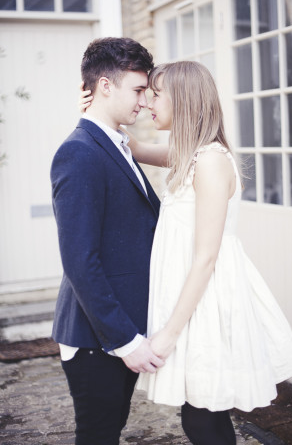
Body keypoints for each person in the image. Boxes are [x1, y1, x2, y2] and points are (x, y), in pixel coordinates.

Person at [79, 60, 292, 445]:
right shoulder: (188, 153)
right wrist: (95, 109)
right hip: (192, 301)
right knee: (201, 414)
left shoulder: (212, 161)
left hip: (208, 303)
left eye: (156, 95)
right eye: (145, 94)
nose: (148, 103)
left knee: (202, 418)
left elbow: (206, 257)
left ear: (183, 100)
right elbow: (130, 147)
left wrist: (168, 335)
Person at [50, 37, 166, 445]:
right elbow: (80, 261)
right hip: (97, 338)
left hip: (118, 332)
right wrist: (125, 340)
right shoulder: (79, 153)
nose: (143, 101)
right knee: (98, 436)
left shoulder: (115, 144)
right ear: (104, 87)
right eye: (137, 90)